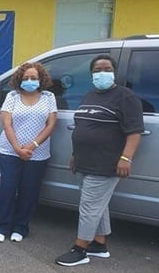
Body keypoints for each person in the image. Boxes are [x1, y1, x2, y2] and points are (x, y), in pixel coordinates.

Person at [55, 55, 144, 267]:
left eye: (106, 68)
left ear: (114, 72)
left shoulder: (125, 96)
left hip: (106, 163)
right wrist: (76, 155)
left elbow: (135, 131)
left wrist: (126, 158)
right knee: (98, 205)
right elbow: (84, 127)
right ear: (92, 74)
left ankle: (80, 249)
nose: (101, 72)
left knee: (89, 207)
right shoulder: (90, 95)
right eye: (97, 69)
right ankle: (99, 244)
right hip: (85, 161)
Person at [0, 62, 57, 243]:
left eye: (34, 78)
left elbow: (51, 124)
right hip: (10, 151)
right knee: (7, 188)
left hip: (37, 153)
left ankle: (20, 227)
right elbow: (6, 123)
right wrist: (17, 148)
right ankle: (1, 226)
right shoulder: (12, 96)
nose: (30, 81)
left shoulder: (48, 97)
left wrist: (33, 145)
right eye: (26, 78)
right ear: (19, 79)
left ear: (41, 79)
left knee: (29, 191)